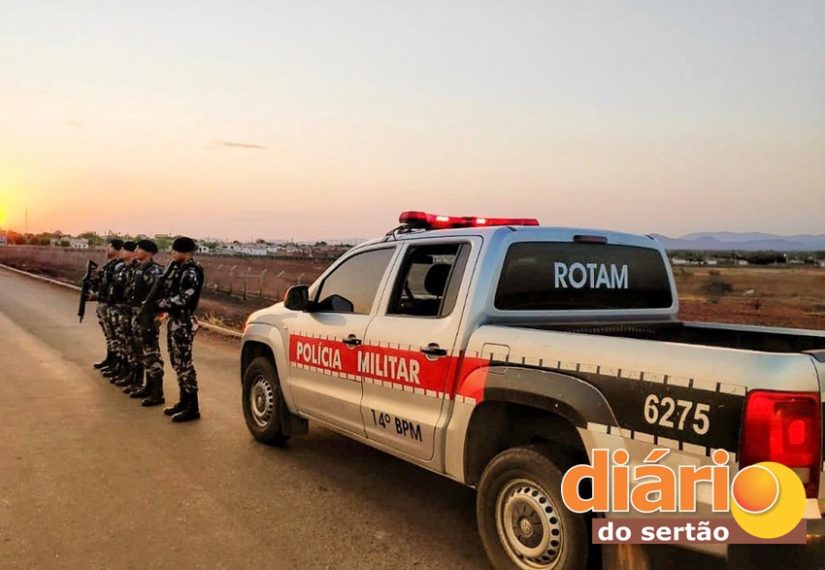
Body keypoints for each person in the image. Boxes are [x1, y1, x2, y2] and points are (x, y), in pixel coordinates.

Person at [156, 237, 204, 422]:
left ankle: (192, 407)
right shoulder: (179, 268)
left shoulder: (191, 271)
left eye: (175, 250)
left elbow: (184, 298)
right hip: (176, 319)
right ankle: (184, 401)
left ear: (184, 252)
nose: (172, 253)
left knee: (184, 364)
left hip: (184, 321)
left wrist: (162, 303)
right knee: (176, 361)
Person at [124, 239, 167, 406]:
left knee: (151, 353)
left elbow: (160, 294)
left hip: (148, 316)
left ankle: (157, 392)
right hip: (137, 314)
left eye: (138, 249)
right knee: (141, 352)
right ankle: (148, 387)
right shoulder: (139, 268)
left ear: (148, 252)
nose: (135, 251)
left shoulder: (155, 271)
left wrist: (158, 315)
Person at [103, 241, 138, 383]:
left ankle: (135, 377)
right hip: (118, 308)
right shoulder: (122, 268)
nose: (121, 252)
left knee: (132, 345)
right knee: (119, 340)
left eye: (124, 250)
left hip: (129, 311)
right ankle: (120, 368)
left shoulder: (137, 270)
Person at [87, 238, 123, 370]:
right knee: (109, 335)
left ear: (118, 250)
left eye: (110, 247)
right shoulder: (110, 265)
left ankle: (117, 364)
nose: (106, 249)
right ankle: (110, 360)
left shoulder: (119, 266)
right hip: (104, 302)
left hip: (111, 304)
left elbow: (114, 288)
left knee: (115, 336)